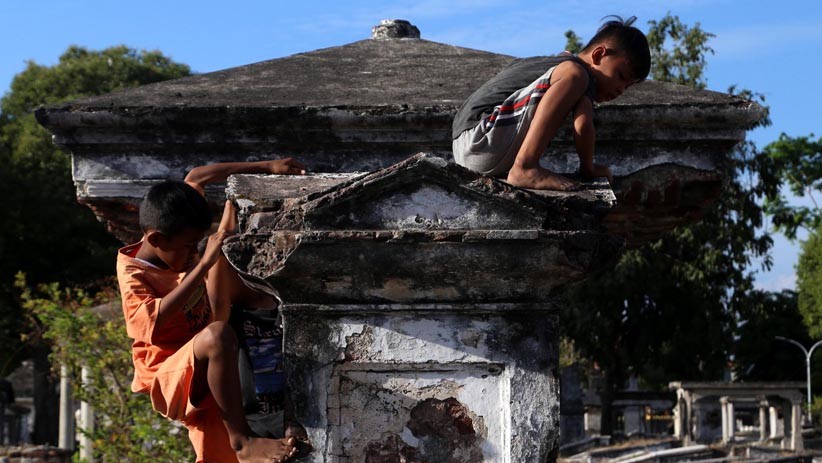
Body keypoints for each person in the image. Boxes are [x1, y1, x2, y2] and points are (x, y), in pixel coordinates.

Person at [116, 158, 306, 463]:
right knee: (217, 335)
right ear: (155, 239)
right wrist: (203, 262)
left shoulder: (176, 220)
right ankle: (242, 442)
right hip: (169, 376)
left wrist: (267, 167)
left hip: (207, 350)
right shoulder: (133, 273)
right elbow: (150, 326)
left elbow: (198, 176)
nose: (193, 252)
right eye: (189, 247)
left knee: (217, 455)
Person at [452, 16, 651, 191]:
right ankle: (525, 167)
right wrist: (588, 168)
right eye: (621, 76)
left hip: (467, 145)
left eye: (628, 87)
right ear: (599, 55)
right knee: (574, 74)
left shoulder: (544, 64)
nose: (620, 90)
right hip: (481, 137)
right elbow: (583, 125)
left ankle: (524, 165)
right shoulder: (579, 73)